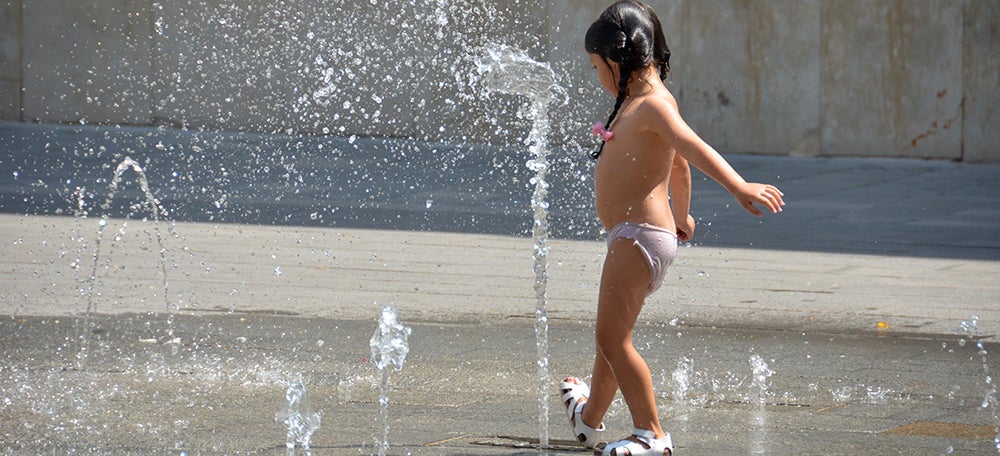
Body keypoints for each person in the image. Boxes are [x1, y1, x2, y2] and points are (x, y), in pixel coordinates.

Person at [559, 1, 786, 455]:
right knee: (612, 335)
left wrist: (739, 186)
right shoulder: (636, 104)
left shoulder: (654, 106)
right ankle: (589, 420)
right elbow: (677, 165)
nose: (597, 77)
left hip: (637, 236)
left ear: (618, 62)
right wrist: (681, 216)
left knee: (611, 338)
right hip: (639, 236)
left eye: (596, 67)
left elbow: (692, 148)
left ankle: (652, 434)